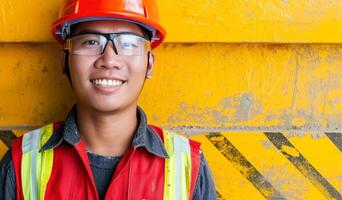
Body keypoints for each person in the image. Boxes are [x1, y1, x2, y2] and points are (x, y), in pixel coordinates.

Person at [0, 0, 217, 199]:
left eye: (129, 43)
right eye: (91, 41)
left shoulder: (189, 167)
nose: (109, 60)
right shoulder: (20, 163)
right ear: (64, 62)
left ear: (150, 64)